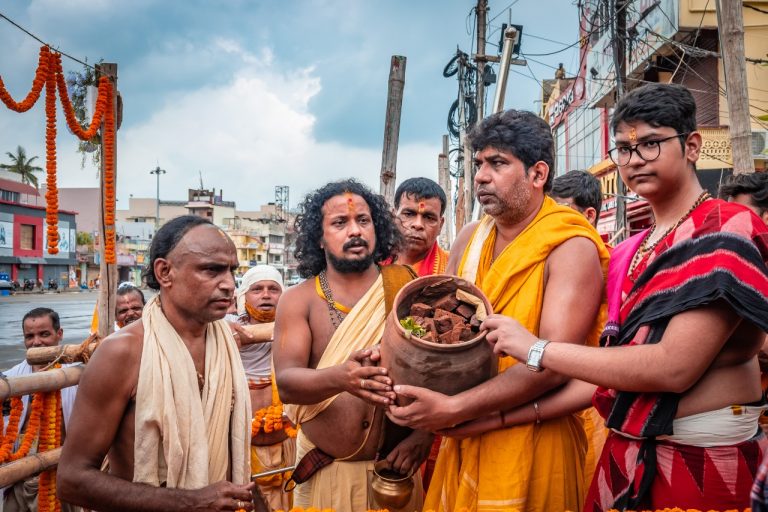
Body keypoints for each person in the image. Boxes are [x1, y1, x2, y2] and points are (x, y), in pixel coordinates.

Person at [481, 83, 768, 511]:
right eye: (623, 149)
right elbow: (608, 370)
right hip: (622, 460)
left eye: (651, 144)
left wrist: (536, 348)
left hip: (705, 463)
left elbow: (672, 368)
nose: (634, 161)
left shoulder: (727, 230)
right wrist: (497, 418)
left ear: (692, 146)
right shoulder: (628, 252)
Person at [387, 110, 610, 512]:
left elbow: (554, 364)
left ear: (538, 174)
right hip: (465, 436)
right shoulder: (470, 239)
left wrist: (454, 409)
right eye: (478, 165)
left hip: (536, 438)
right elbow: (439, 343)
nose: (481, 177)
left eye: (498, 164)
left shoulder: (570, 246)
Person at [57, 215, 255, 512]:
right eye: (212, 270)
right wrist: (190, 502)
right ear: (164, 272)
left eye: (231, 271)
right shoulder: (122, 352)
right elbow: (72, 479)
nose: (228, 285)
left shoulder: (224, 342)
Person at [273, 179, 432, 512]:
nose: (355, 231)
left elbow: (435, 372)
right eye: (339, 223)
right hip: (327, 474)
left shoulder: (406, 286)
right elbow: (287, 384)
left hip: (396, 476)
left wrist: (423, 437)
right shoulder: (298, 301)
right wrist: (343, 378)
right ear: (319, 236)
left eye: (363, 220)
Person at [232, 265, 295, 511]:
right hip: (241, 446)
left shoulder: (295, 330)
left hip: (285, 441)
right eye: (257, 289)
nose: (266, 295)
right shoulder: (224, 331)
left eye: (273, 289)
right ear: (243, 296)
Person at [2, 308, 78, 512]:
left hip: (61, 481)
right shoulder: (10, 379)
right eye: (30, 336)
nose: (36, 342)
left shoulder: (77, 376)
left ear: (59, 334)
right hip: (18, 482)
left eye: (44, 334)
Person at [392, 177, 448, 276]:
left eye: (429, 218)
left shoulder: (453, 269)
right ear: (393, 217)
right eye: (409, 214)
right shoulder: (372, 265)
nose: (418, 224)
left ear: (441, 225)